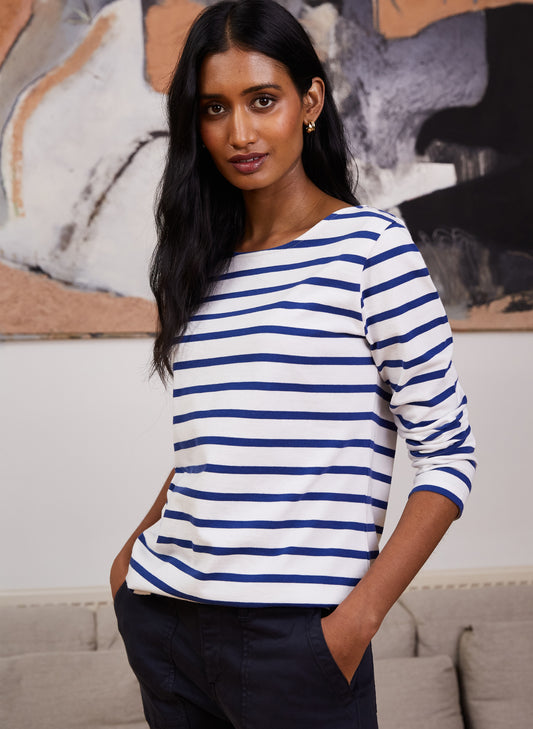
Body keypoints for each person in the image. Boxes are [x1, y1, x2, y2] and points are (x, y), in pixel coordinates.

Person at [110, 1, 476, 727]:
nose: (239, 133)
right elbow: (212, 449)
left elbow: (449, 459)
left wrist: (354, 623)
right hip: (167, 622)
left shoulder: (373, 251)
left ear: (309, 103)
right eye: (215, 108)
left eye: (262, 100)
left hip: (297, 645)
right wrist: (128, 563)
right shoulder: (201, 265)